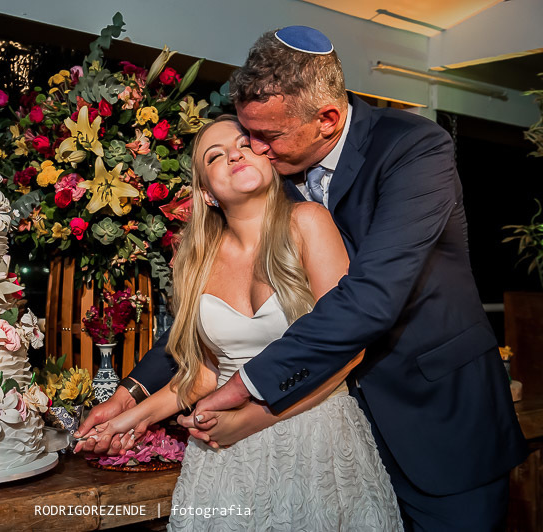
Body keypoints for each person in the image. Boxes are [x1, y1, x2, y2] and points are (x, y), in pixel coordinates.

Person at [77, 26, 528, 530]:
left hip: (438, 420)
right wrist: (133, 391)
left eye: (266, 137)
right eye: (248, 137)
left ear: (327, 120)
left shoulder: (413, 149)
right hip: (336, 428)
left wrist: (245, 386)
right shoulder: (278, 174)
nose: (255, 151)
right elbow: (203, 320)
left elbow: (371, 298)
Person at [80, 114, 402, 530]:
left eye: (245, 144)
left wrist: (253, 417)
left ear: (269, 158)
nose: (235, 154)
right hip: (225, 458)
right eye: (216, 156)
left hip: (316, 437)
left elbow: (350, 348)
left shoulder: (308, 222)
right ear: (208, 193)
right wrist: (125, 419)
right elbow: (202, 377)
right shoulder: (195, 263)